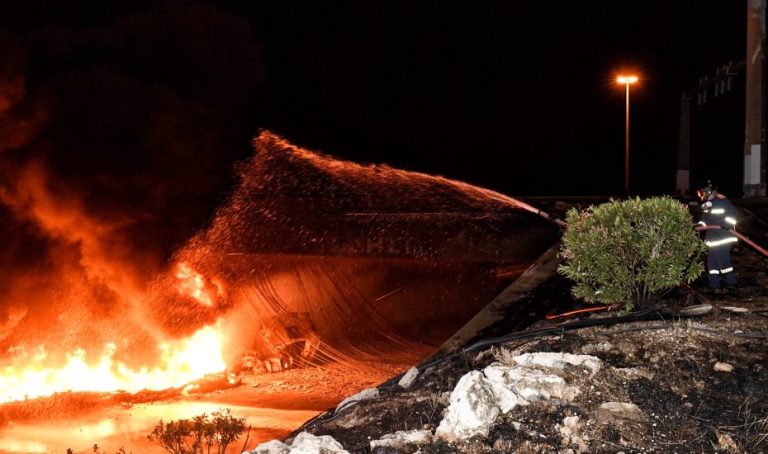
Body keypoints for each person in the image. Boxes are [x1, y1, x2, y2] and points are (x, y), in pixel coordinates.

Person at [696, 182, 739, 292]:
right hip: (713, 238)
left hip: (724, 236)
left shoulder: (722, 201)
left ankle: (731, 283)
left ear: (709, 192)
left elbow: (734, 214)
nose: (702, 196)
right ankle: (714, 284)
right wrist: (700, 225)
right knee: (712, 262)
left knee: (723, 260)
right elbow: (705, 219)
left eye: (703, 193)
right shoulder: (708, 206)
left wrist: (726, 224)